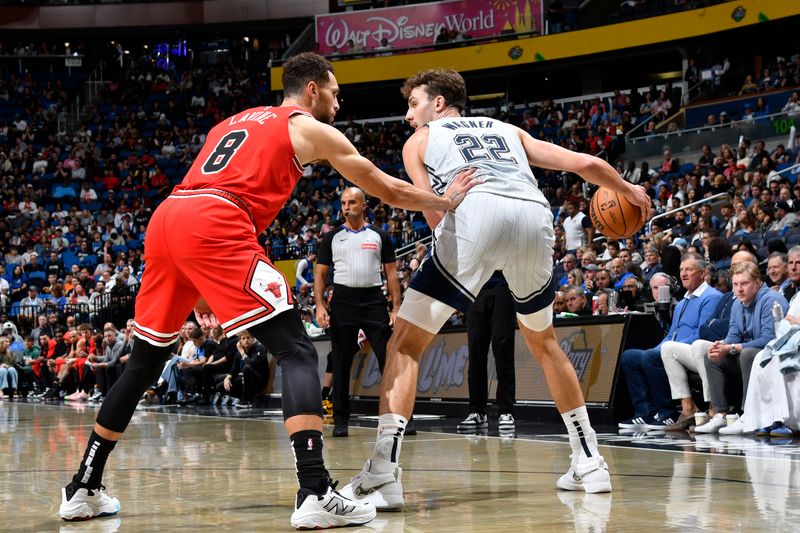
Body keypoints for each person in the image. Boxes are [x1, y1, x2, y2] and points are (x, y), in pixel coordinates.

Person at [58, 53, 478, 530]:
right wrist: (443, 200)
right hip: (217, 221)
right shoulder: (307, 126)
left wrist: (203, 287)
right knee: (297, 351)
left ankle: (83, 487)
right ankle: (316, 490)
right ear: (313, 90)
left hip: (169, 217)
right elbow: (382, 187)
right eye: (336, 93)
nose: (339, 104)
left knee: (143, 364)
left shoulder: (231, 122)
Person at [340, 68, 651, 511]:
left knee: (406, 345)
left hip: (475, 210)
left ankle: (383, 474)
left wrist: (462, 267)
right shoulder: (508, 130)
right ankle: (590, 461)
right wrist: (629, 189)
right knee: (544, 341)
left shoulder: (420, 140)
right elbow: (585, 164)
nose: (408, 116)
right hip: (533, 214)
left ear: (439, 104)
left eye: (414, 104)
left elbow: (431, 208)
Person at [618, 253, 723, 430]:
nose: (683, 274)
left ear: (703, 273)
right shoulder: (683, 302)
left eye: (689, 269)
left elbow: (703, 333)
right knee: (629, 357)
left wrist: (665, 350)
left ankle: (667, 412)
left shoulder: (711, 297)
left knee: (651, 356)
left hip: (692, 351)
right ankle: (646, 412)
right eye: (681, 269)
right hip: (670, 350)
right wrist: (657, 349)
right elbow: (671, 334)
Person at [457, 272, 517, 433]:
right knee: (476, 352)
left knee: (503, 350)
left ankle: (506, 411)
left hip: (504, 286)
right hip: (476, 290)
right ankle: (477, 411)